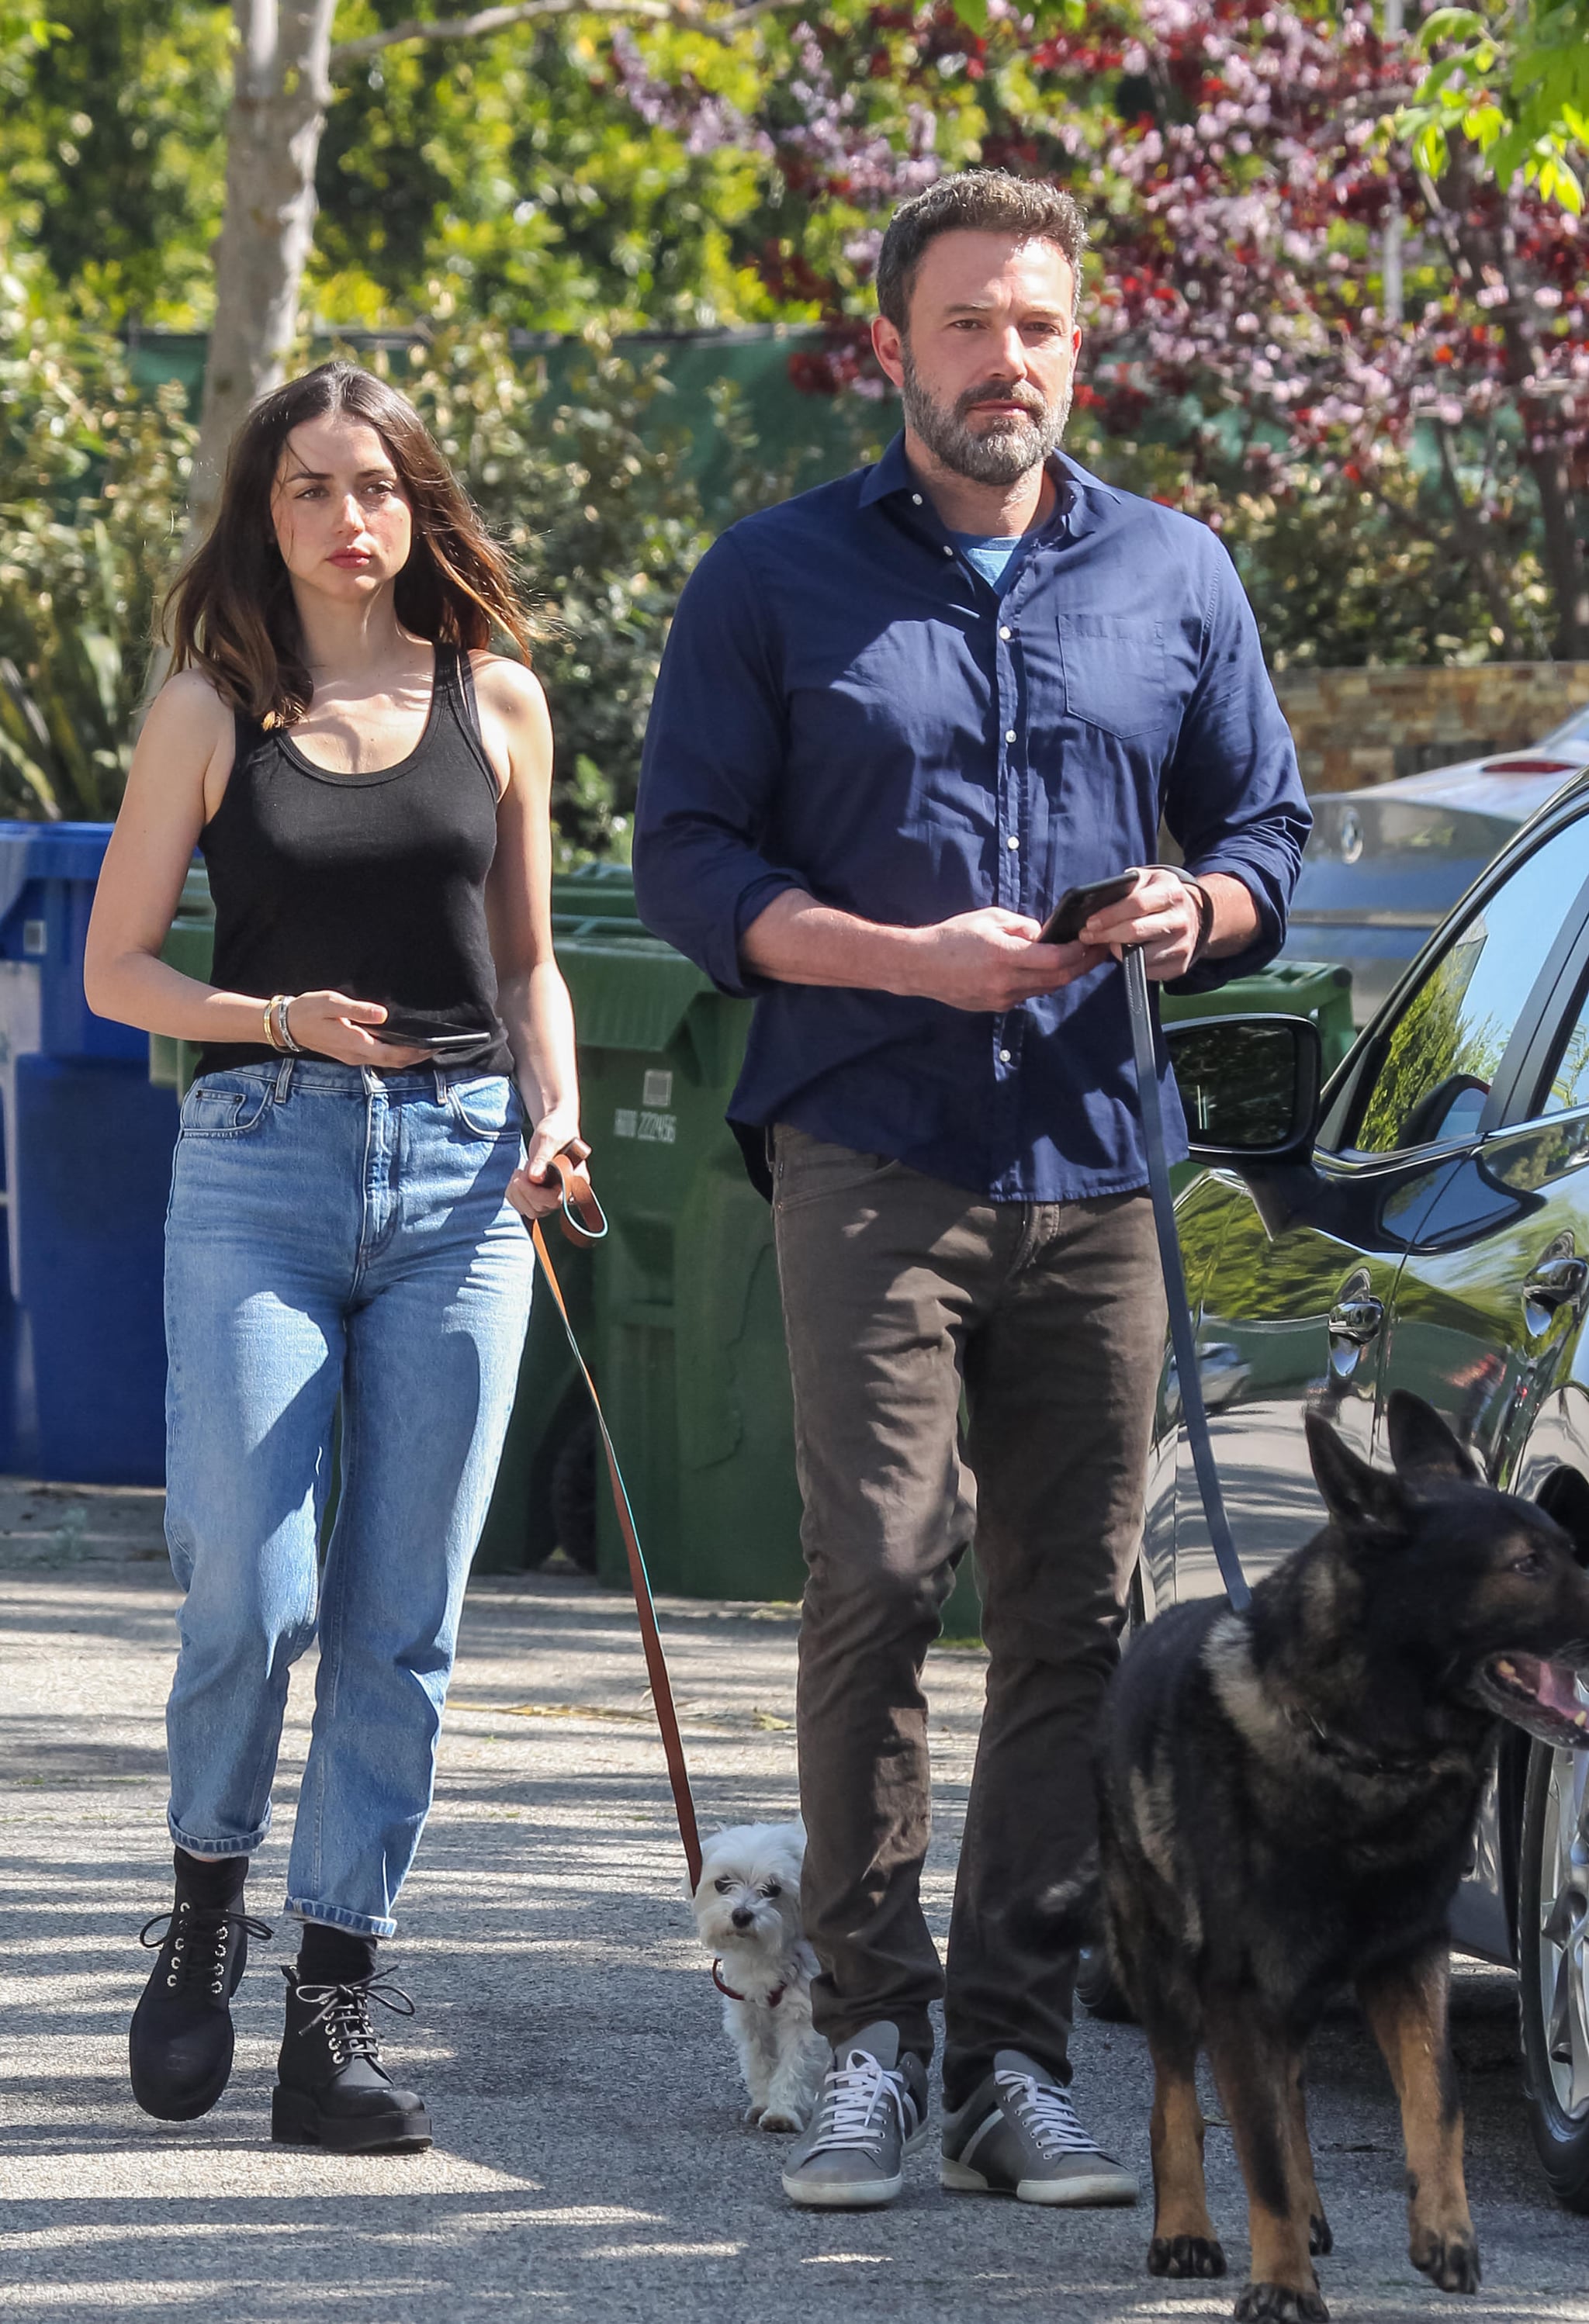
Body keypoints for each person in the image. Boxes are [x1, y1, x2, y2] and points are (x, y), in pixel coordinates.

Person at [633, 169, 1310, 2212]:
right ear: (893, 347)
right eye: (966, 324)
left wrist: (1203, 901)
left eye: (1038, 326)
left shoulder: (1179, 574)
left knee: (1065, 1623)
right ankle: (870, 2040)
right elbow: (688, 862)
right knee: (873, 1575)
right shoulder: (773, 581)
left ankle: (1015, 2065)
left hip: (1101, 1169)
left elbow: (1264, 826)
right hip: (869, 1144)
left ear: (1073, 349)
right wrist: (900, 956)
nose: (1004, 359)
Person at [85, 361, 581, 2152]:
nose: (347, 516)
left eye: (374, 484)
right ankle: (205, 1901)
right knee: (254, 1586)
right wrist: (272, 1011)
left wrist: (556, 1114)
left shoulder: (500, 701)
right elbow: (115, 970)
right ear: (264, 514)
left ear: (415, 502)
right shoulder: (212, 708)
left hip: (462, 1182)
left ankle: (332, 2005)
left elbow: (527, 962)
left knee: (407, 1619)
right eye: (309, 488)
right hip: (259, 1165)